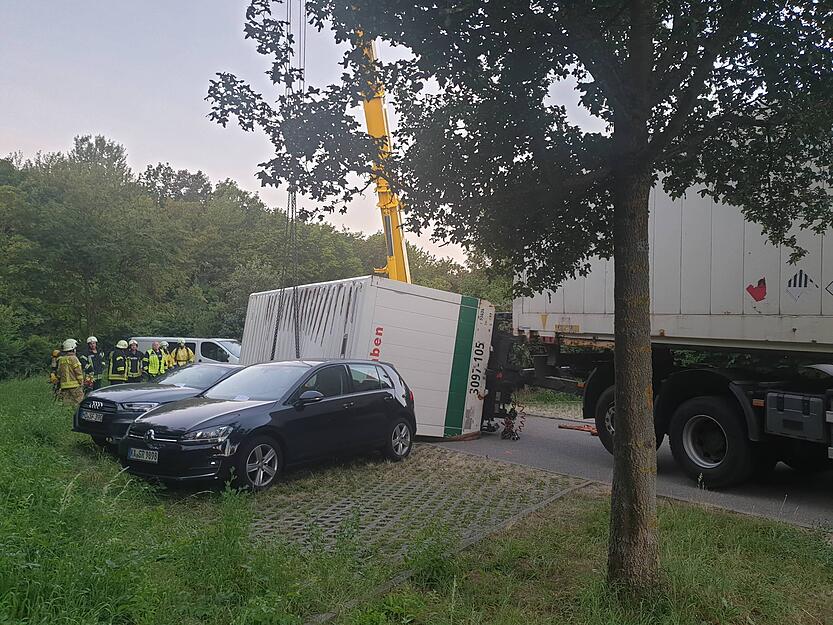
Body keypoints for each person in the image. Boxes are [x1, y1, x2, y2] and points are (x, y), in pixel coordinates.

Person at [55, 338, 85, 405]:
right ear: (72, 348)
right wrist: (81, 383)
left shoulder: (61, 360)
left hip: (64, 386)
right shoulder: (74, 358)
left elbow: (59, 374)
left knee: (67, 403)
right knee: (78, 403)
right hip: (75, 386)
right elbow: (78, 372)